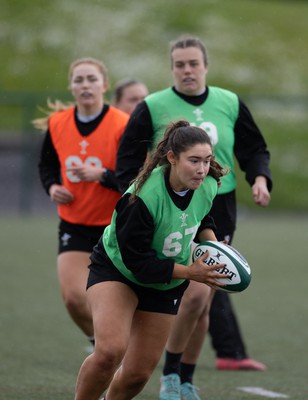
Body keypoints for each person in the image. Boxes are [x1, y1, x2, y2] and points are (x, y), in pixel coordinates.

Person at [115, 35, 272, 399]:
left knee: (201, 299)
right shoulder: (152, 106)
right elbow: (126, 165)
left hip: (216, 209)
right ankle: (172, 373)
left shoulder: (229, 102)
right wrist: (138, 204)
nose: (187, 70)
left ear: (205, 66)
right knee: (191, 296)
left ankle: (179, 377)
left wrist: (260, 178)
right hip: (165, 211)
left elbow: (254, 148)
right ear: (172, 68)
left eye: (193, 63)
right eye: (180, 64)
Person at [74, 120, 228, 400]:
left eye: (206, 161)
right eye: (193, 161)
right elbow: (138, 263)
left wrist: (216, 249)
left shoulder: (207, 185)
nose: (202, 169)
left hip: (165, 283)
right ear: (172, 158)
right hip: (119, 271)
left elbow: (202, 217)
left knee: (137, 375)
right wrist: (191, 272)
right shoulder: (142, 198)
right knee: (109, 353)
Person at [36, 57, 129, 349]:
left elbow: (135, 177)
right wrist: (52, 187)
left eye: (91, 79)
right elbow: (46, 165)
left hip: (115, 226)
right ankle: (100, 342)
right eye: (79, 80)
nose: (85, 85)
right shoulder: (57, 123)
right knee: (74, 298)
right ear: (71, 87)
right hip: (74, 224)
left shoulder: (122, 124)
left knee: (115, 299)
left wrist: (101, 175)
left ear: (104, 84)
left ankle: (114, 345)